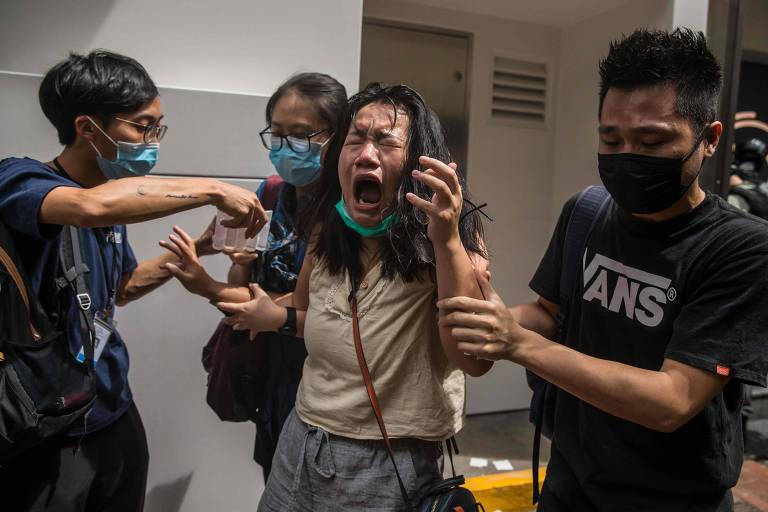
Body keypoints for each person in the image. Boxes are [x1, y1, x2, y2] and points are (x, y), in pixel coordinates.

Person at [439, 29, 768, 511]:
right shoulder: (589, 211)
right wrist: (492, 319)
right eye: (611, 138)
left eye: (652, 140)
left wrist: (517, 342)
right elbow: (550, 312)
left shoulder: (740, 248)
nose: (627, 156)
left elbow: (674, 400)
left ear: (710, 139)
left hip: (674, 501)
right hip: (570, 485)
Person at [172, 83, 491, 510]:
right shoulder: (326, 230)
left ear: (419, 162)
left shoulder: (450, 241)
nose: (365, 153)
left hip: (386, 461)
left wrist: (448, 241)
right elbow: (310, 314)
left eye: (385, 141)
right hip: (301, 438)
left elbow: (474, 360)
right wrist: (268, 311)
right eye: (355, 139)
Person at [0, 50, 266, 511]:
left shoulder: (110, 195)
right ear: (87, 128)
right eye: (142, 126)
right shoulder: (20, 179)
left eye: (157, 127)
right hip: (47, 426)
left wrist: (197, 252)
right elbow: (88, 209)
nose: (152, 140)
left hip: (113, 410)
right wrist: (213, 188)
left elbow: (121, 287)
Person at [161, 72, 347, 480]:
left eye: (299, 134)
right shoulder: (270, 193)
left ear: (337, 137)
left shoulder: (348, 212)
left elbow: (312, 306)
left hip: (328, 377)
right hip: (274, 371)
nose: (284, 146)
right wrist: (240, 263)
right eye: (276, 133)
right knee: (277, 477)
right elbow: (244, 285)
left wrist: (205, 287)